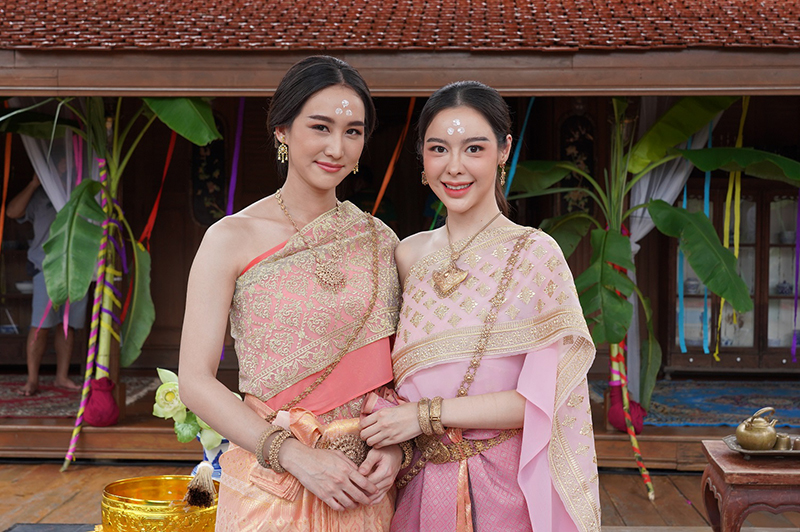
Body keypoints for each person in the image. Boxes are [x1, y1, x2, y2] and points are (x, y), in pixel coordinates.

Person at [360, 81, 602, 531]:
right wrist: (393, 437)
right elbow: (389, 381)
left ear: (504, 149)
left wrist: (423, 416)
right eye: (438, 149)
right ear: (422, 156)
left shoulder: (536, 253)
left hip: (506, 487)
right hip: (420, 482)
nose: (454, 167)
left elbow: (544, 401)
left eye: (474, 148)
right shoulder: (406, 255)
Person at [178, 56, 404, 531]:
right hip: (269, 485)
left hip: (363, 486)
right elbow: (195, 382)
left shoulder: (379, 241)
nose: (336, 147)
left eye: (353, 131)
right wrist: (295, 456)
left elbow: (397, 371)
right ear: (282, 130)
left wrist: (396, 447)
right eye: (320, 127)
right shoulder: (230, 238)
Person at [6, 172, 87, 396]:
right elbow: (12, 212)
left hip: (78, 267)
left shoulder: (81, 189)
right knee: (40, 325)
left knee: (68, 325)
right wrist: (34, 183)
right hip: (46, 267)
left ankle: (62, 376)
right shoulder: (40, 195)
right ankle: (32, 380)